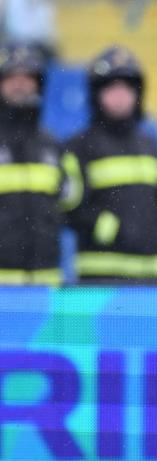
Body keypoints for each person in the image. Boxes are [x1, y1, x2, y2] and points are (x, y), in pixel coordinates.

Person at [65, 46, 157, 282]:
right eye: (111, 88)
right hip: (103, 277)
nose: (120, 96)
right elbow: (70, 208)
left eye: (127, 88)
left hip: (155, 276)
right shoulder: (80, 146)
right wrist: (109, 229)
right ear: (96, 94)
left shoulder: (150, 143)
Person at [0, 42, 80, 285]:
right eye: (12, 78)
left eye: (28, 78)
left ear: (39, 84)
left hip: (46, 280)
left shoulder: (53, 145)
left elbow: (72, 200)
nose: (20, 85)